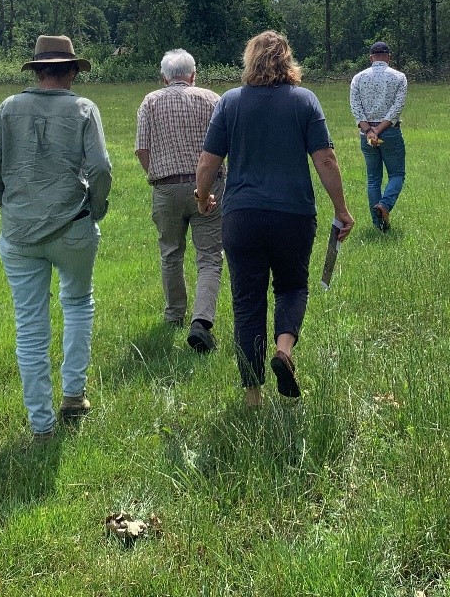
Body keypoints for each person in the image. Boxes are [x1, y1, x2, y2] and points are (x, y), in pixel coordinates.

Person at [195, 30, 355, 407]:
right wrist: (341, 209)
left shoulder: (230, 102)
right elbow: (326, 159)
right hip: (293, 214)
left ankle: (253, 394)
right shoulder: (304, 101)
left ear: (249, 61)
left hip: (241, 215)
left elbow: (208, 161)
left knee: (247, 300)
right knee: (292, 287)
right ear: (288, 62)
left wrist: (203, 197)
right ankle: (284, 350)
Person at [0, 35, 112, 440]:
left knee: (30, 327)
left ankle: (41, 424)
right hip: (73, 226)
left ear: (37, 70)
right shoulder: (83, 108)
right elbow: (102, 168)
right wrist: (97, 205)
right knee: (77, 303)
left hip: (20, 232)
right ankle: (74, 394)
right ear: (71, 71)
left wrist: (2, 199)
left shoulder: (8, 108)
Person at [135, 49, 224, 352]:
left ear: (164, 77)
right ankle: (201, 321)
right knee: (210, 257)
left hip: (166, 187)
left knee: (171, 253)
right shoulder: (212, 99)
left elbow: (141, 149)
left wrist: (157, 174)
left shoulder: (150, 101)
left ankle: (174, 315)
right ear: (193, 75)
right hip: (209, 184)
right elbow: (226, 146)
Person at [349, 40, 408, 231]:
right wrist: (379, 130)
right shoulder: (399, 77)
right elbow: (396, 109)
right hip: (390, 131)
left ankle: (378, 225)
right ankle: (385, 205)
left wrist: (369, 131)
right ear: (389, 57)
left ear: (371, 57)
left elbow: (356, 107)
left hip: (366, 134)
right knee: (397, 174)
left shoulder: (358, 78)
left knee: (373, 179)